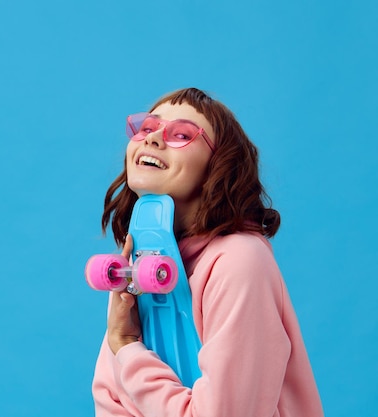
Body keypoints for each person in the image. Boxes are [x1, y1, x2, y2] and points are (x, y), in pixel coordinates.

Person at [92, 88, 323, 417]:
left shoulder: (238, 262)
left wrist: (127, 348)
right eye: (146, 128)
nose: (153, 139)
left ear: (218, 167)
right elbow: (110, 399)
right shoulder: (142, 255)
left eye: (181, 134)